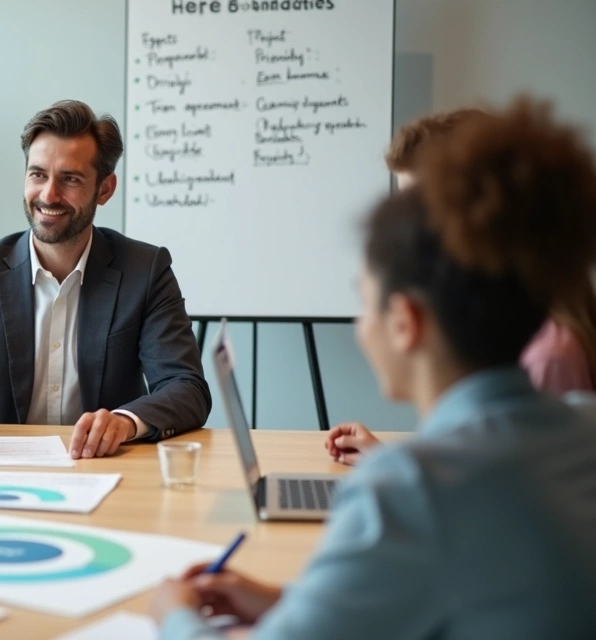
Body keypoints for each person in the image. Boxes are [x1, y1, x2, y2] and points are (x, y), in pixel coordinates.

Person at [152, 96, 596, 638]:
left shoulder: (410, 491)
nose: (361, 325)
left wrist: (172, 614)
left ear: (405, 322)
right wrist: (288, 602)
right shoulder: (583, 423)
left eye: (363, 300)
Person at [0, 100, 211, 460]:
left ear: (105, 189)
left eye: (71, 179)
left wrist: (125, 421)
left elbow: (186, 388)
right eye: (38, 174)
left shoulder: (145, 269)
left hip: (104, 468)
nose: (48, 195)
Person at [327, 106, 596, 464]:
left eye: (419, 210)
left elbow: (518, 492)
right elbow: (483, 466)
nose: (406, 231)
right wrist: (390, 459)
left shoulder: (546, 357)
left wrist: (400, 477)